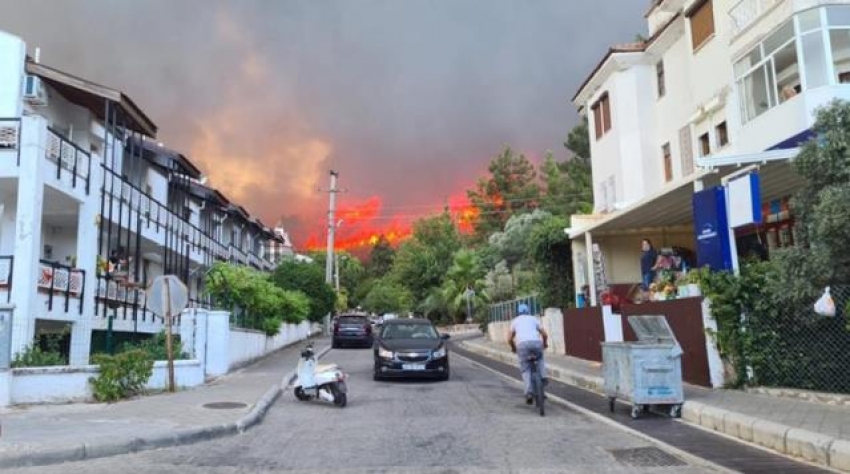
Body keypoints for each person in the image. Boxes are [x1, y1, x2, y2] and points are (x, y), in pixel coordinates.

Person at [508, 303, 549, 405]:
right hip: (536, 343)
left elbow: (509, 339)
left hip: (522, 346)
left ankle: (529, 393)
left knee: (526, 370)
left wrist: (513, 348)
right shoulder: (533, 319)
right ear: (528, 311)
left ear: (518, 312)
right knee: (540, 359)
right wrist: (544, 344)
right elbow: (544, 334)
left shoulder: (515, 321)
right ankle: (543, 377)